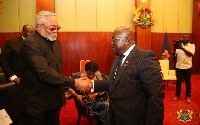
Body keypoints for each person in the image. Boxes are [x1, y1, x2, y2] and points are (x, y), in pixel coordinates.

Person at [19, 11, 91, 125]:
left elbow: (56, 70)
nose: (56, 31)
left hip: (53, 99)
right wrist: (75, 82)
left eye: (57, 27)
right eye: (52, 28)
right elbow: (44, 73)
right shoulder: (30, 43)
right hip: (36, 102)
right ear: (39, 27)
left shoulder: (55, 41)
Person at [86, 26, 165, 125]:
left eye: (114, 40)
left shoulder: (145, 57)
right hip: (115, 117)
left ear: (127, 40)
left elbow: (155, 97)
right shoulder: (117, 59)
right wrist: (91, 84)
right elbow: (115, 83)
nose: (111, 43)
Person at [0, 24, 35, 125]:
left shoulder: (37, 42)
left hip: (33, 79)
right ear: (23, 32)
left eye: (34, 32)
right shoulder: (11, 43)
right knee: (20, 105)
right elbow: (3, 62)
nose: (32, 34)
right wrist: (13, 77)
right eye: (30, 32)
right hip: (18, 80)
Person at [172, 35, 195, 104]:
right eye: (184, 37)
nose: (185, 38)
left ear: (189, 39)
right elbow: (173, 55)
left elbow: (190, 54)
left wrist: (182, 48)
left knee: (187, 82)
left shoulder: (192, 46)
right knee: (178, 82)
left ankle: (188, 96)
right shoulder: (179, 46)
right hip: (179, 66)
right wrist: (174, 48)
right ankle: (177, 95)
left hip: (187, 67)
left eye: (187, 37)